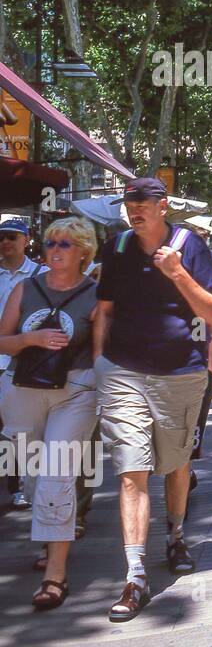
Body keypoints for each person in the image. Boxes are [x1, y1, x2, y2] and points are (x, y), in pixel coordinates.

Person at [93, 177, 212, 622]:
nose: (133, 208)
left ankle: (175, 534)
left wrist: (177, 272)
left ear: (162, 205)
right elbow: (105, 310)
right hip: (123, 372)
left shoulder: (190, 246)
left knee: (175, 465)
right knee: (132, 471)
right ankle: (135, 576)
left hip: (179, 375)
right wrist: (99, 364)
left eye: (141, 201)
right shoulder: (115, 248)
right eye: (127, 201)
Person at [0, 217, 100, 610]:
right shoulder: (27, 289)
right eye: (51, 243)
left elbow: (103, 349)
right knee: (30, 474)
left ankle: (54, 575)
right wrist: (31, 339)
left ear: (84, 252)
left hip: (76, 390)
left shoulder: (96, 294)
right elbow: (2, 341)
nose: (55, 250)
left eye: (65, 244)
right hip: (22, 389)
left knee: (57, 473)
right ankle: (49, 533)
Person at [0, 216, 46, 510]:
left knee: (17, 430)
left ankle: (18, 485)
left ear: (26, 240)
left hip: (19, 363)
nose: (5, 242)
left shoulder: (39, 275)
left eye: (12, 237)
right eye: (2, 237)